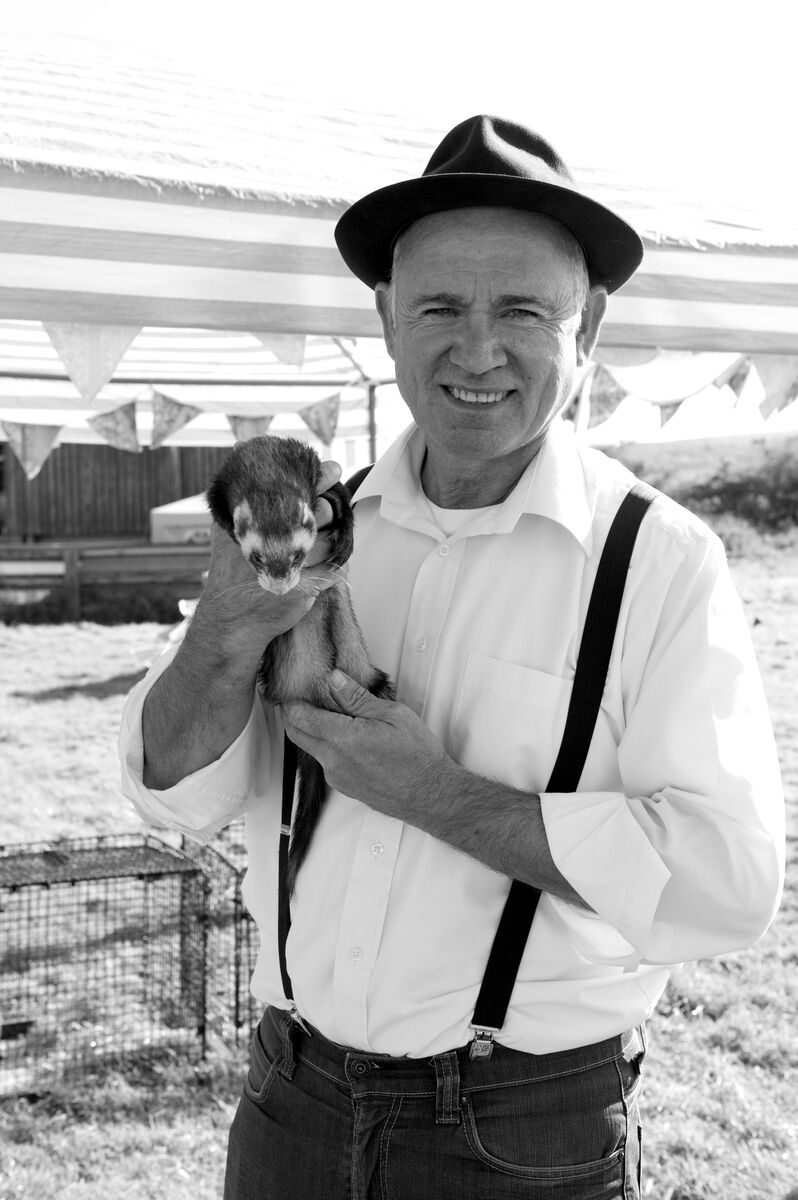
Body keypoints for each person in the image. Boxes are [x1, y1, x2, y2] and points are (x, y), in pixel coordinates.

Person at [119, 115, 784, 1199]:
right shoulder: (305, 529)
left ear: (591, 324)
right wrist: (226, 630)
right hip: (288, 1100)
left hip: (522, 1136)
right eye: (438, 306)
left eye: (523, 308)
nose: (477, 350)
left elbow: (726, 885)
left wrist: (441, 796)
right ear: (386, 317)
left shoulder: (661, 562)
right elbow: (170, 791)